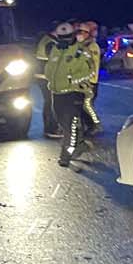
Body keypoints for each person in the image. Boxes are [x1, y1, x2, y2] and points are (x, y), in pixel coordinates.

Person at [48, 24, 99, 166]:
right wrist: (51, 79)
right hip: (57, 93)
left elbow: (90, 71)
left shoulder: (81, 52)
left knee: (70, 126)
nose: (64, 40)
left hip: (74, 93)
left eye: (67, 37)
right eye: (61, 37)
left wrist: (71, 80)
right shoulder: (56, 50)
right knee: (64, 125)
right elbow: (49, 68)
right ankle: (80, 145)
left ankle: (66, 155)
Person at [35, 22, 75, 137]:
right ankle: (51, 128)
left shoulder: (48, 40)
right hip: (46, 77)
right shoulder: (50, 43)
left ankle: (52, 128)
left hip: (44, 76)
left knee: (50, 102)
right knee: (52, 102)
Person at [76, 20, 103, 135]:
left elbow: (92, 64)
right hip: (82, 80)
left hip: (90, 81)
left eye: (82, 32)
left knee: (87, 105)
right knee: (81, 105)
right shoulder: (81, 45)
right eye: (78, 32)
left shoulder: (92, 46)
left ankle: (95, 124)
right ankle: (86, 125)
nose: (79, 34)